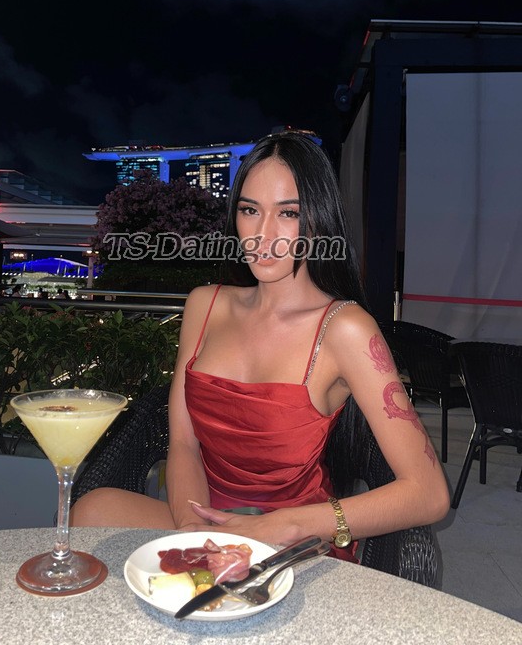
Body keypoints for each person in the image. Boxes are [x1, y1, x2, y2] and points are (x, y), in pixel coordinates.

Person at [70, 131, 449, 553]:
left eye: (288, 212)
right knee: (93, 510)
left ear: (319, 218)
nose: (263, 233)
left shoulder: (345, 329)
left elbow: (429, 493)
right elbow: (184, 445)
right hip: (210, 525)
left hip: (294, 545)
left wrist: (287, 525)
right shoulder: (205, 306)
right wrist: (193, 529)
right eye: (250, 210)